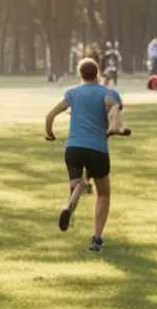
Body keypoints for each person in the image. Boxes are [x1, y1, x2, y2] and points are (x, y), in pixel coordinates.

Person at [44, 56, 128, 251]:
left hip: (73, 148)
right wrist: (115, 126)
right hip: (97, 148)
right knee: (104, 193)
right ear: (97, 73)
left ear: (79, 73)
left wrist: (49, 133)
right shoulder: (107, 93)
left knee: (77, 184)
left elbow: (50, 115)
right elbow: (114, 107)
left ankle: (70, 204)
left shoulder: (72, 93)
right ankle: (96, 239)